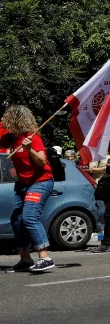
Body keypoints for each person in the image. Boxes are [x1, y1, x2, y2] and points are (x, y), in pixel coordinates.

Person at [0, 105, 56, 272]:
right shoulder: (9, 138)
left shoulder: (32, 137)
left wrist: (30, 148)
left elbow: (42, 161)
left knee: (29, 217)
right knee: (16, 221)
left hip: (40, 181)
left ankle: (45, 257)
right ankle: (25, 259)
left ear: (15, 119)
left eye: (7, 117)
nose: (3, 120)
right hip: (23, 183)